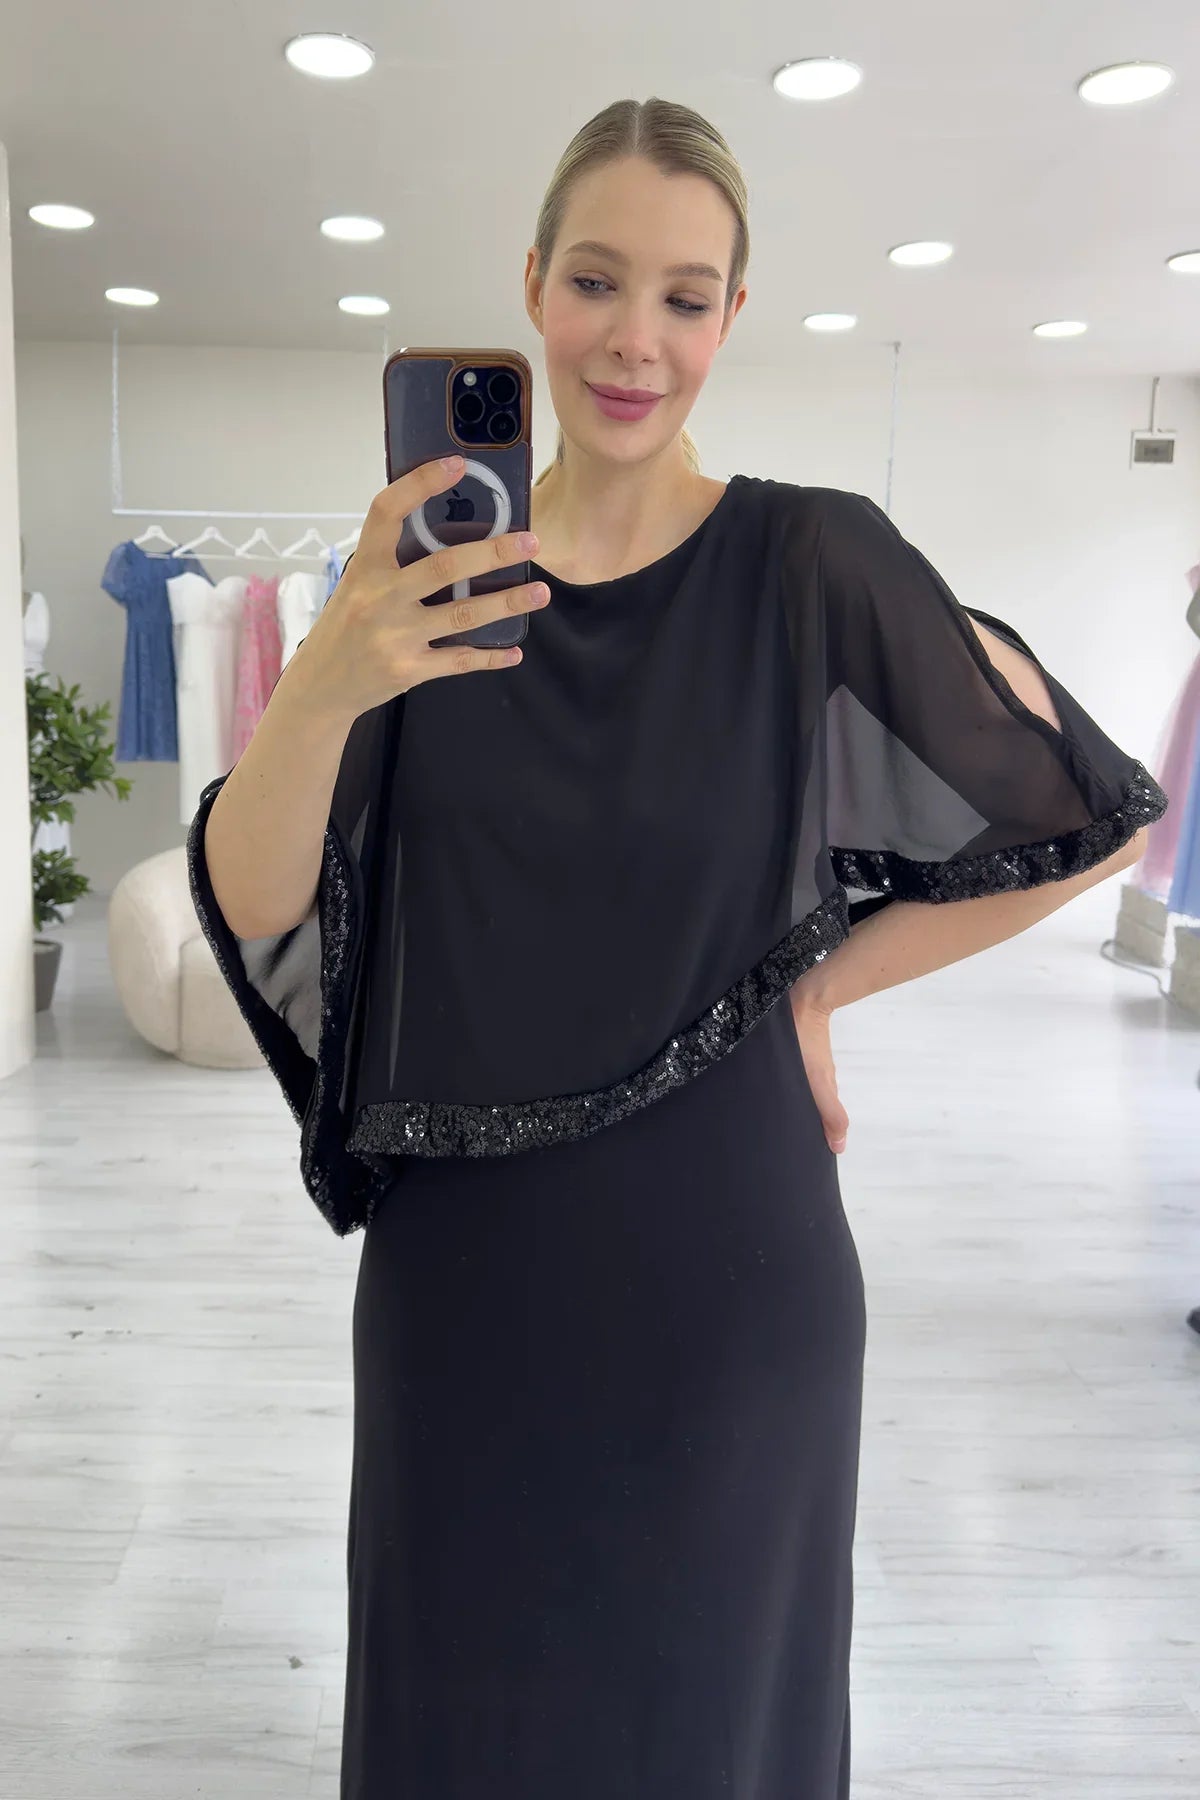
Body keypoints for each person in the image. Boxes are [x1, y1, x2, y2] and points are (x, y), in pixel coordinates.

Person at [186, 97, 1167, 1800]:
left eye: (685, 297)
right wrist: (329, 679)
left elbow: (1089, 814)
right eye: (595, 281)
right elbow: (259, 901)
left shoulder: (810, 562)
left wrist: (812, 981)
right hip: (465, 1297)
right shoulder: (425, 590)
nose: (635, 339)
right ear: (531, 288)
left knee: (709, 1739)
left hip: (730, 1292)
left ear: (731, 317)